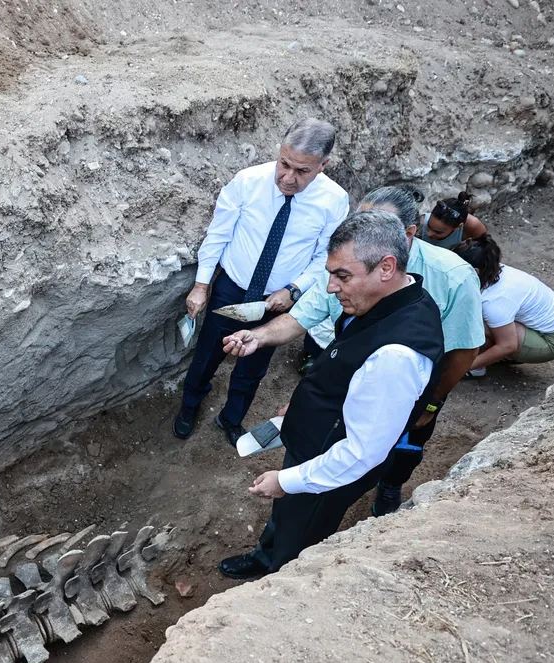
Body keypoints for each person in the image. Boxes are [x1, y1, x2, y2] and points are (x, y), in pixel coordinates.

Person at [216, 210, 445, 580]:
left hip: (329, 466)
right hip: (316, 440)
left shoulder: (396, 357)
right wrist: (304, 407)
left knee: (301, 531)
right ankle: (266, 555)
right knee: (288, 516)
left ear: (386, 267)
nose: (330, 287)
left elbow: (360, 453)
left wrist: (285, 481)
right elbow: (348, 373)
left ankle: (277, 578)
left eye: (342, 276)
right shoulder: (391, 301)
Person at [236, 185, 484, 516]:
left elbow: (463, 352)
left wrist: (431, 404)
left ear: (407, 235)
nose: (363, 233)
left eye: (377, 224)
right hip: (348, 385)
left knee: (399, 447)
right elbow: (302, 317)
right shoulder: (350, 264)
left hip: (411, 394)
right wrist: (259, 337)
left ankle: (389, 486)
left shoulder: (452, 278)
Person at [173, 117, 350, 445]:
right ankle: (189, 405)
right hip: (231, 289)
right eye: (285, 164)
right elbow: (218, 234)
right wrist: (201, 285)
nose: (288, 178)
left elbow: (324, 258)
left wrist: (294, 289)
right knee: (207, 355)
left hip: (276, 301)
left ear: (323, 165)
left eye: (302, 171)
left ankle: (231, 418)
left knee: (253, 365)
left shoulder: (334, 200)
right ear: (280, 151)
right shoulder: (248, 181)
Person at [452, 235, 554, 375]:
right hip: (543, 327)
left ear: (474, 271)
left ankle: (475, 367)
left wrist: (460, 368)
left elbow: (508, 345)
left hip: (550, 341)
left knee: (472, 320)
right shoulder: (492, 270)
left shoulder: (493, 300)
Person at [419, 191, 487, 249]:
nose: (429, 234)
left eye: (438, 232)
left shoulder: (472, 226)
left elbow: (487, 249)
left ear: (458, 227)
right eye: (428, 226)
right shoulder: (420, 224)